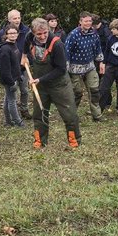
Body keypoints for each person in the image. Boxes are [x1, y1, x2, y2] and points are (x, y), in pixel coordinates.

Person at [24, 17, 80, 148]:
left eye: (45, 33)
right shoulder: (29, 37)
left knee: (69, 114)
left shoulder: (57, 44)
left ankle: (74, 140)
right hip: (40, 85)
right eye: (39, 34)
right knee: (38, 114)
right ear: (33, 33)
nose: (43, 36)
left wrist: (40, 79)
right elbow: (25, 43)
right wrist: (23, 56)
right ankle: (40, 140)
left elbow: (61, 69)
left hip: (59, 84)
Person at [65, 13, 105, 122]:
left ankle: (97, 115)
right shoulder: (73, 34)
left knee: (94, 91)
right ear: (80, 22)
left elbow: (98, 48)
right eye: (86, 21)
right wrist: (66, 68)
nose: (88, 23)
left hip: (90, 67)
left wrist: (101, 62)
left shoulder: (94, 33)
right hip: (75, 68)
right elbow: (67, 51)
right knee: (77, 93)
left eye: (90, 21)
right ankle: (71, 115)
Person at [0, 9, 31, 117]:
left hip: (23, 66)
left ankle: (24, 110)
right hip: (10, 68)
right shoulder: (2, 33)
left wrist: (27, 58)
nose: (18, 20)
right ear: (9, 19)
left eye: (19, 17)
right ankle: (10, 116)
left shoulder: (26, 31)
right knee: (11, 92)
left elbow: (29, 46)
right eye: (15, 18)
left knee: (25, 91)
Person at [0, 24, 25, 127]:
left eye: (15, 33)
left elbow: (15, 63)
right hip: (9, 80)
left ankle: (8, 121)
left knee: (7, 100)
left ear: (18, 34)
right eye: (10, 33)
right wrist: (11, 82)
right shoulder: (5, 49)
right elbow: (5, 69)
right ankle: (18, 122)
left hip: (15, 77)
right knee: (12, 101)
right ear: (6, 35)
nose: (13, 35)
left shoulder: (14, 45)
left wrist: (20, 73)